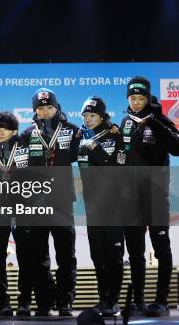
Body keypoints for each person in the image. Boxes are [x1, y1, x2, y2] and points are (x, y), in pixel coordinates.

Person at [119, 76, 179, 317]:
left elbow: (176, 148)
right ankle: (139, 300)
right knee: (135, 252)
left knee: (162, 249)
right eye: (132, 98)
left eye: (140, 98)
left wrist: (152, 121)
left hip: (155, 195)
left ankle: (162, 301)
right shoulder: (125, 121)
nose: (135, 102)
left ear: (148, 98)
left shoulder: (160, 119)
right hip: (131, 198)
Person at [19, 88, 80, 317]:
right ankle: (44, 301)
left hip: (62, 201)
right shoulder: (26, 135)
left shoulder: (73, 132)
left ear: (57, 107)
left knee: (66, 255)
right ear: (35, 111)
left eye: (49, 107)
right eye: (40, 108)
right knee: (39, 257)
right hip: (36, 204)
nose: (45, 112)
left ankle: (65, 301)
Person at [76, 96, 125, 317]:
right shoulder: (82, 136)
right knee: (98, 254)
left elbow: (115, 167)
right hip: (93, 205)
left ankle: (113, 301)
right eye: (85, 115)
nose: (88, 119)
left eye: (92, 115)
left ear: (103, 116)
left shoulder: (115, 136)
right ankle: (103, 299)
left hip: (114, 204)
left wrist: (94, 146)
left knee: (113, 254)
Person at [0, 112, 30, 317]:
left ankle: (25, 302)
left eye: (6, 128)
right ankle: (3, 302)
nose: (0, 131)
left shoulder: (25, 145)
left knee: (25, 256)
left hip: (21, 209)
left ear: (14, 131)